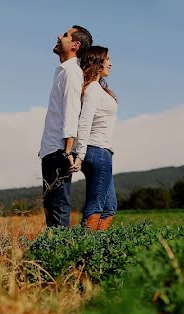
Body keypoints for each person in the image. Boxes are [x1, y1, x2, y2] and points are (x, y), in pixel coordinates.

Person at [38, 25, 92, 228]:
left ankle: (63, 258)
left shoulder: (71, 73)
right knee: (51, 209)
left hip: (59, 151)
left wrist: (68, 151)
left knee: (58, 209)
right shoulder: (62, 71)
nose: (59, 36)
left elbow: (71, 111)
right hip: (51, 149)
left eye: (66, 35)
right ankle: (53, 256)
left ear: (75, 45)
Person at [73, 46, 118, 230]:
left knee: (109, 207)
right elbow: (84, 122)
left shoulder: (97, 88)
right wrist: (80, 155)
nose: (111, 63)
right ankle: (85, 252)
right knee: (97, 205)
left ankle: (96, 252)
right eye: (107, 59)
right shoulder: (92, 89)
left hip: (102, 152)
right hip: (96, 151)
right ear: (97, 62)